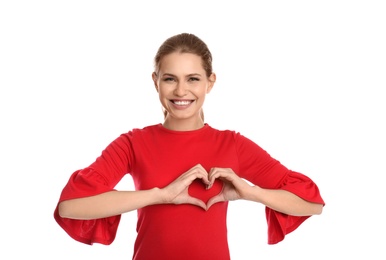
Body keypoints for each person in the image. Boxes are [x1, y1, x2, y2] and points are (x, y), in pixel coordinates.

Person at [54, 32, 325, 259]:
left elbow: (312, 203)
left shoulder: (232, 144)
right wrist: (159, 195)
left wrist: (249, 193)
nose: (181, 91)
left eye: (192, 79)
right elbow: (71, 206)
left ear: (210, 82)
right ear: (155, 82)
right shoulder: (133, 143)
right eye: (170, 78)